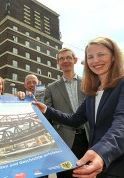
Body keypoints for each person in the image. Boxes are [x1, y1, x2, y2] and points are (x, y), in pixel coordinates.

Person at [33, 37, 124, 177]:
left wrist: (101, 151)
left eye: (101, 54)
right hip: (100, 170)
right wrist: (46, 109)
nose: (95, 60)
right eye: (90, 57)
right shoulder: (92, 91)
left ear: (114, 57)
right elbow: (75, 119)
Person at [44, 48, 88, 178]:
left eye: (68, 57)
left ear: (75, 60)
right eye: (61, 59)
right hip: (64, 143)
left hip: (87, 139)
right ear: (58, 62)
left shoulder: (88, 83)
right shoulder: (51, 88)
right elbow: (47, 115)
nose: (65, 61)